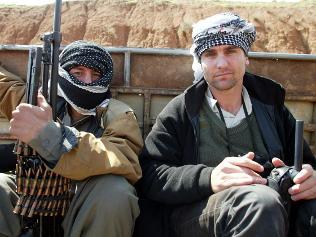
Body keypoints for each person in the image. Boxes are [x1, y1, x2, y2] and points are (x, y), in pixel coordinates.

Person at [136, 12, 316, 237]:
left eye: (231, 51)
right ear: (201, 62)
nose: (221, 63)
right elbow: (151, 175)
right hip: (198, 216)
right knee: (260, 202)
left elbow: (307, 164)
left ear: (246, 57)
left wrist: (309, 178)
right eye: (211, 54)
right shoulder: (181, 111)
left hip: (272, 212)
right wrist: (209, 178)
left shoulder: (271, 106)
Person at [0, 40, 143, 237]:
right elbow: (5, 87)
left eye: (95, 75)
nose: (87, 82)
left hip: (84, 194)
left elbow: (122, 156)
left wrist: (52, 137)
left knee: (115, 194)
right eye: (78, 73)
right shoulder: (40, 101)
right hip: (33, 186)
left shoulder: (119, 114)